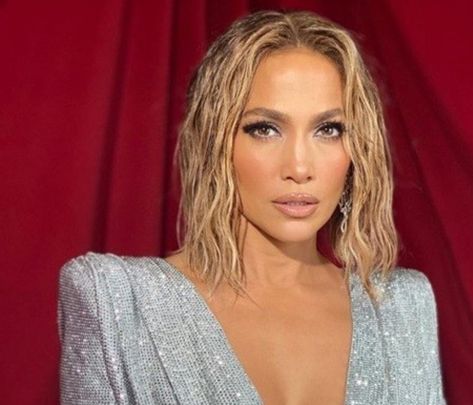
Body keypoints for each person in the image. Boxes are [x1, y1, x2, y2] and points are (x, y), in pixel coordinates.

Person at [57, 9, 446, 405]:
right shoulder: (117, 302)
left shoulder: (402, 308)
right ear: (214, 142)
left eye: (328, 130)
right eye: (265, 129)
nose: (299, 168)